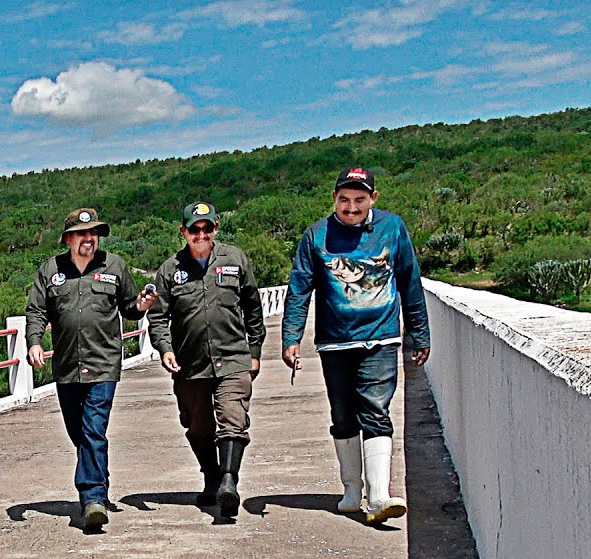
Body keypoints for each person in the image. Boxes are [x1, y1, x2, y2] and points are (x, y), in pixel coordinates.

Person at [281, 167, 430, 524]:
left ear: (372, 199)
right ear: (334, 199)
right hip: (335, 342)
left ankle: (379, 495)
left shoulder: (392, 229)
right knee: (343, 415)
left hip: (380, 337)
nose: (351, 207)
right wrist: (291, 338)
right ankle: (352, 489)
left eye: (359, 200)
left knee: (376, 410)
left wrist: (419, 333)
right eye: (344, 200)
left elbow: (410, 281)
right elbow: (299, 289)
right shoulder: (316, 236)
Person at [26, 207, 155, 530]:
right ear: (69, 239)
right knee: (78, 432)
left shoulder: (114, 266)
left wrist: (141, 305)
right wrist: (34, 342)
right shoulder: (50, 271)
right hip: (68, 366)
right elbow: (36, 311)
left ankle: (92, 498)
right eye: (83, 234)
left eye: (94, 233)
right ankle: (99, 477)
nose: (89, 239)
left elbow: (129, 307)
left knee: (93, 428)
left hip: (104, 363)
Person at [147, 201, 265, 518]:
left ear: (215, 228)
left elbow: (253, 308)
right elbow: (158, 318)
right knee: (198, 427)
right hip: (190, 363)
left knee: (233, 420)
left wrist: (254, 352)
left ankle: (229, 482)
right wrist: (165, 348)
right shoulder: (170, 270)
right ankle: (212, 478)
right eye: (194, 229)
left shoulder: (235, 259)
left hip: (233, 357)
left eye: (207, 228)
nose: (201, 234)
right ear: (183, 231)